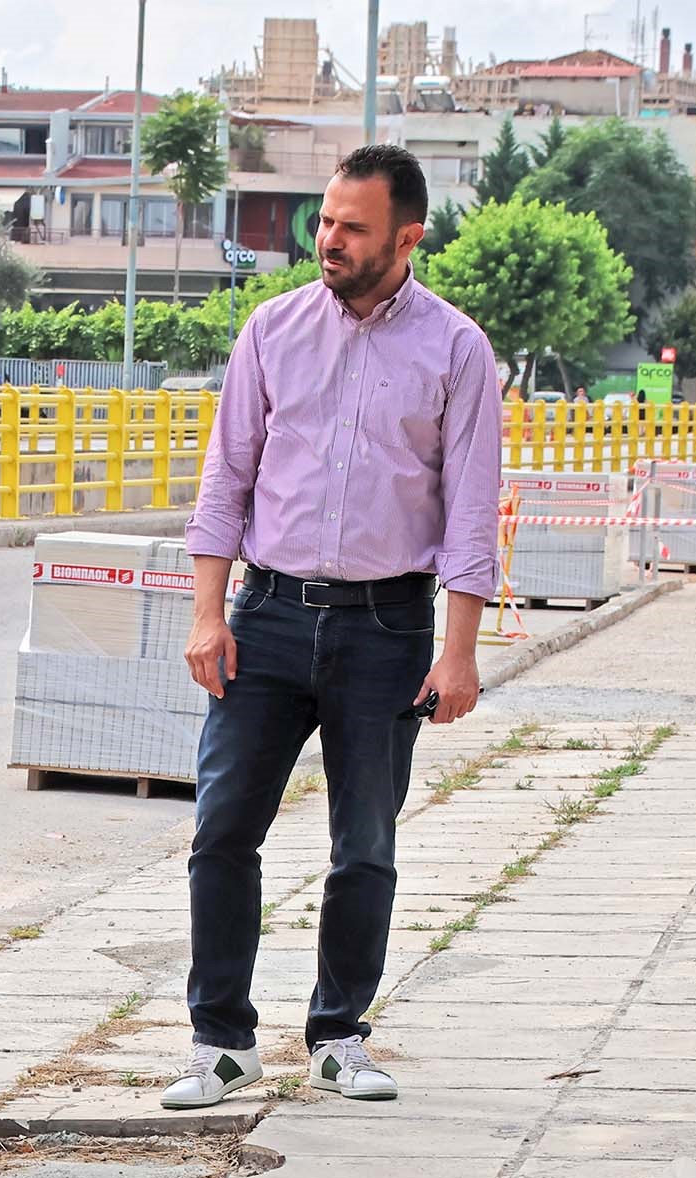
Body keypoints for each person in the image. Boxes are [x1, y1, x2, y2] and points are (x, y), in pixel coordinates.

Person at [165, 143, 499, 1111]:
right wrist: (204, 612)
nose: (329, 241)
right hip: (264, 618)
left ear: (407, 235)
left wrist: (461, 649)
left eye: (352, 227)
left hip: (386, 625)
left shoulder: (455, 347)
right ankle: (220, 1042)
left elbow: (471, 506)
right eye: (323, 221)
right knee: (221, 832)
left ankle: (338, 1035)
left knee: (365, 845)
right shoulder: (272, 330)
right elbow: (225, 479)